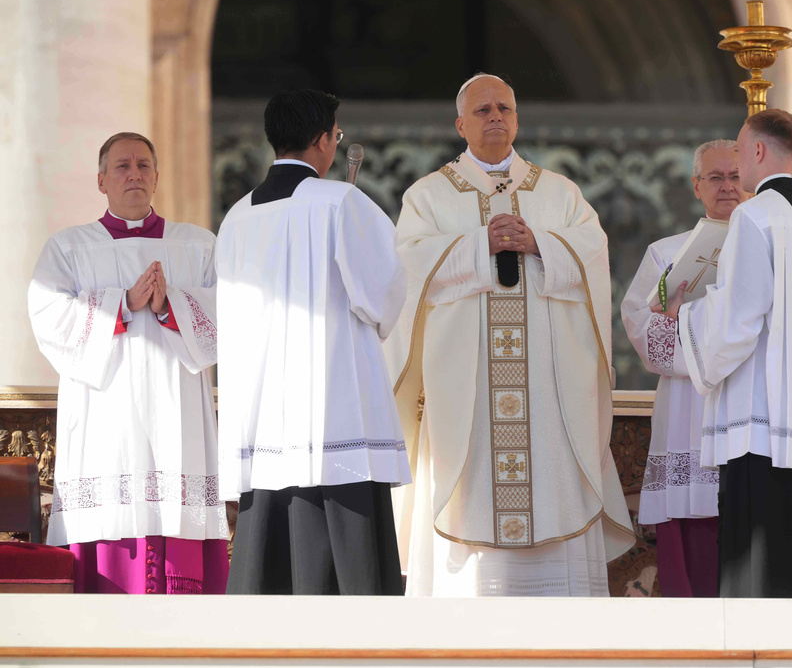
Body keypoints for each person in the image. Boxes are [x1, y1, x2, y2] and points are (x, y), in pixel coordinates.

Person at [386, 73, 634, 597]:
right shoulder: (428, 196)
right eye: (482, 110)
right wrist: (479, 245)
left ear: (517, 119)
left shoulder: (559, 192)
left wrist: (542, 243)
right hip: (467, 391)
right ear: (460, 124)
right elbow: (406, 268)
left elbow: (593, 254)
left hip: (547, 389)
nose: (495, 116)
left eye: (504, 108)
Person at [662, 109, 792, 598]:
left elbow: (739, 320)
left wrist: (686, 314)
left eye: (738, 148)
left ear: (756, 150)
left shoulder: (755, 216)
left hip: (762, 417)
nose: (736, 160)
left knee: (764, 559)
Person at [216, 89, 409, 595]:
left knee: (270, 573)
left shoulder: (236, 216)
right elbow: (384, 294)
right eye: (336, 134)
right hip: (333, 410)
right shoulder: (342, 201)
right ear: (325, 140)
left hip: (263, 420)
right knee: (350, 578)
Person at [28, 132, 227, 594]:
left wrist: (169, 305)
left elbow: (232, 310)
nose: (133, 174)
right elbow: (47, 316)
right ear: (101, 180)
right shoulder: (68, 248)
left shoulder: (198, 245)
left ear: (157, 177)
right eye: (121, 166)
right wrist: (120, 304)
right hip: (106, 415)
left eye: (142, 165)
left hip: (177, 412)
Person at [620, 139, 749, 597]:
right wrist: (676, 321)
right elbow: (640, 326)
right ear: (696, 186)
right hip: (690, 406)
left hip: (749, 400)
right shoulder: (665, 254)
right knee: (692, 542)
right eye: (716, 177)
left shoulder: (771, 247)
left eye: (735, 176)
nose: (728, 187)